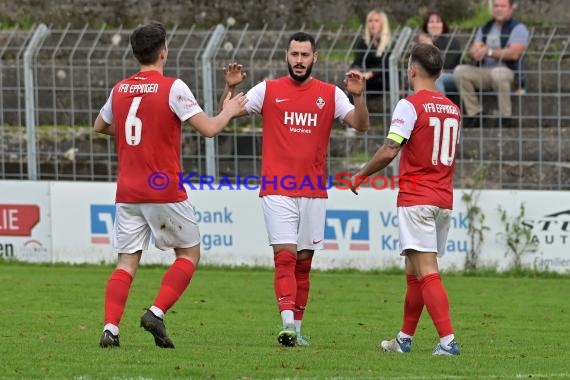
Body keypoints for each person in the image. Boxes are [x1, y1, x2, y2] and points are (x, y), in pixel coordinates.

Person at [93, 22, 247, 349]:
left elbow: (100, 125)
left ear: (136, 53)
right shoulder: (173, 87)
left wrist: (139, 134)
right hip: (162, 187)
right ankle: (156, 312)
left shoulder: (120, 89)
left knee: (126, 262)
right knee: (189, 254)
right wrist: (229, 110)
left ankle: (110, 328)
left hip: (128, 191)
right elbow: (209, 129)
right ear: (164, 51)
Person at [220, 32, 369, 347]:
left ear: (315, 57)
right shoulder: (269, 90)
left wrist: (358, 96)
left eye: (305, 55)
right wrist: (230, 88)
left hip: (313, 191)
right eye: (294, 55)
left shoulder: (330, 94)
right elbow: (228, 112)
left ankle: (296, 330)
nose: (299, 60)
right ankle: (287, 324)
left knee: (304, 263)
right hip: (277, 187)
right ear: (286, 56)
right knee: (285, 258)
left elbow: (361, 123)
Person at [350, 43, 461, 356]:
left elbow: (390, 149)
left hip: (417, 197)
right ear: (439, 73)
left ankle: (448, 341)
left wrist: (361, 174)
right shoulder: (453, 108)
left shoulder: (410, 105)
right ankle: (403, 339)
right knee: (413, 271)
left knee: (426, 269)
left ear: (411, 70)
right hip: (443, 198)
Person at [453, 0, 529, 127]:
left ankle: (506, 117)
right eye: (496, 6)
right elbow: (475, 47)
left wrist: (488, 51)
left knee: (498, 73)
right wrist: (474, 52)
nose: (499, 9)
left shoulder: (518, 28)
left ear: (511, 8)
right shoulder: (485, 28)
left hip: (508, 71)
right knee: (460, 72)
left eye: (503, 6)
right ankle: (475, 114)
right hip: (484, 71)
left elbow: (514, 53)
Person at [417, 10, 461, 95]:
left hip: (451, 76)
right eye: (431, 22)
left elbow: (446, 65)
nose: (434, 25)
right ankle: (414, 108)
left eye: (438, 21)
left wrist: (431, 46)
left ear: (443, 25)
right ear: (426, 25)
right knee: (417, 79)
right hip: (429, 75)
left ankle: (439, 107)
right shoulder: (421, 43)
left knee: (434, 78)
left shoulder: (451, 41)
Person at [350, 9, 392, 96]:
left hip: (384, 80)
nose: (372, 24)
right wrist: (355, 71)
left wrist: (370, 74)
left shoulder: (390, 43)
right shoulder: (363, 42)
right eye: (370, 21)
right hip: (365, 79)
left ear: (383, 24)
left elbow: (386, 63)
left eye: (376, 21)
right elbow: (358, 60)